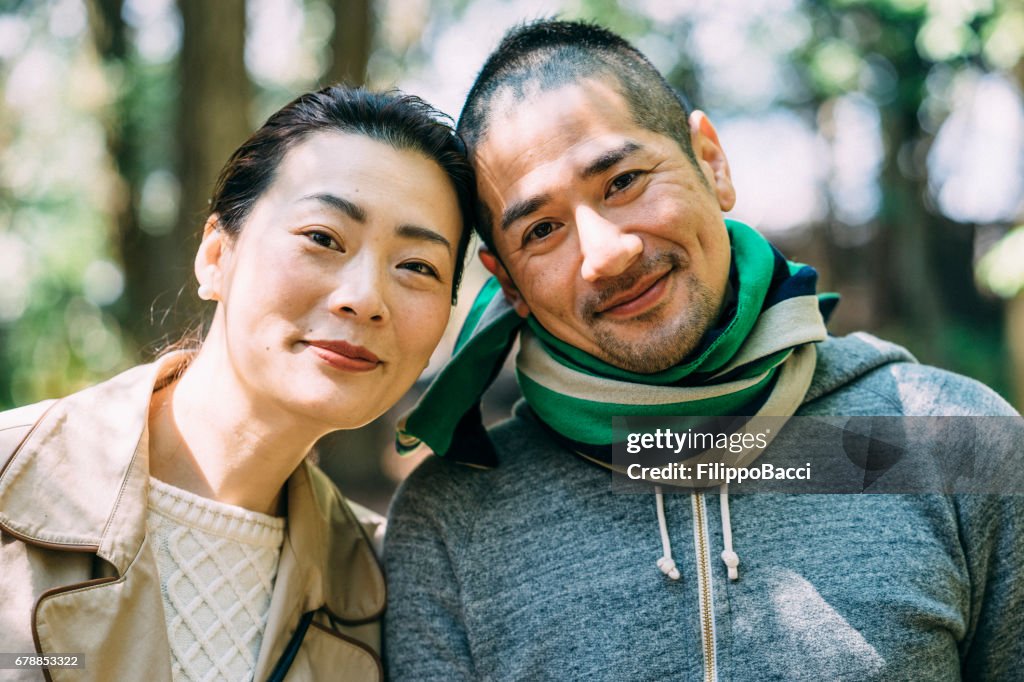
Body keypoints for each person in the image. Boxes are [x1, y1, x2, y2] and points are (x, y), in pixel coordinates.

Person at [383, 20, 1024, 681]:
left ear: (711, 162)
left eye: (624, 180)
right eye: (543, 229)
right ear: (509, 279)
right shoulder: (453, 523)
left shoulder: (955, 444)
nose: (607, 254)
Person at [0, 85, 473, 682]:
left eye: (417, 267)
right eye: (323, 238)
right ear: (216, 256)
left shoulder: (386, 585)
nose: (364, 298)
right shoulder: (11, 480)